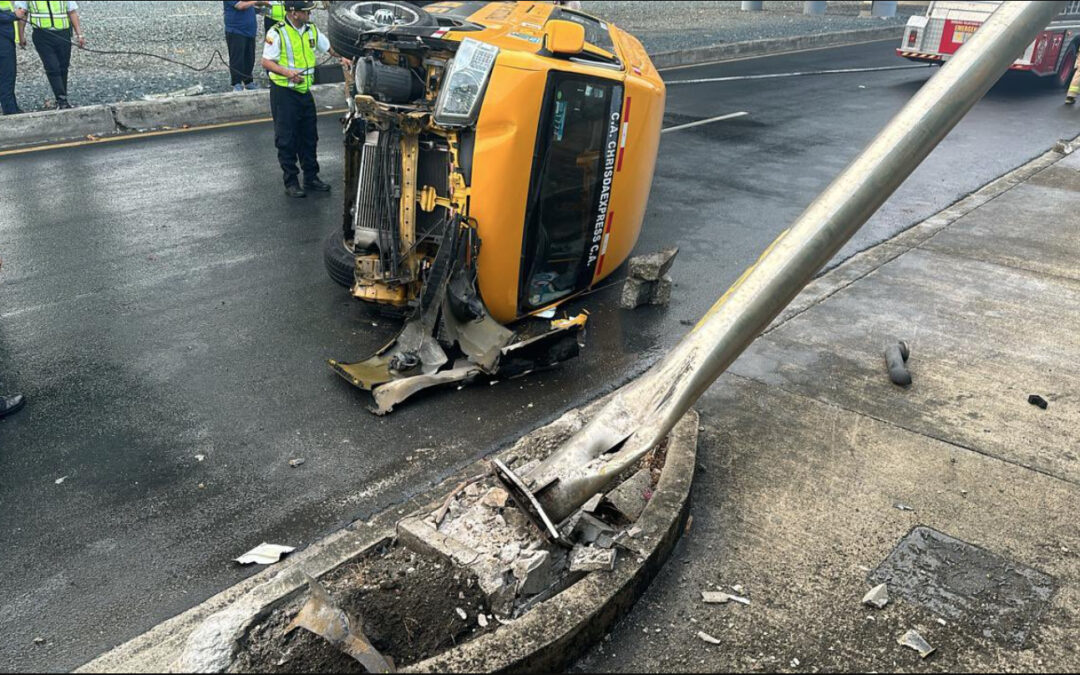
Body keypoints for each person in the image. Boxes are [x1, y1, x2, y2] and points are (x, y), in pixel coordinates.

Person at [261, 0, 349, 198]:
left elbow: (328, 47)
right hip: (284, 92)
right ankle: (291, 181)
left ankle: (311, 177)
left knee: (309, 136)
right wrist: (287, 72)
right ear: (293, 13)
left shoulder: (311, 30)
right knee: (287, 138)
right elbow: (266, 61)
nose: (309, 14)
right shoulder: (277, 32)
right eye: (306, 11)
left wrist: (341, 57)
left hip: (303, 91)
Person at [16, 0, 84, 109]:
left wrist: (79, 34)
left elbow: (72, 12)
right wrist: (21, 35)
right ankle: (62, 100)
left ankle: (62, 98)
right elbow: (22, 14)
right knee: (52, 67)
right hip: (42, 35)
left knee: (63, 67)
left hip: (63, 33)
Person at [224, 1, 260, 91]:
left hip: (250, 30)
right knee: (237, 58)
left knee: (249, 57)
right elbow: (240, 5)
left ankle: (248, 81)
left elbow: (252, 6)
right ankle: (237, 83)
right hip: (236, 30)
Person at [0, 1, 25, 114]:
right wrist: (14, 15)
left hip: (6, 39)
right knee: (7, 75)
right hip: (3, 41)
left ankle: (12, 107)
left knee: (8, 76)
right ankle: (10, 111)